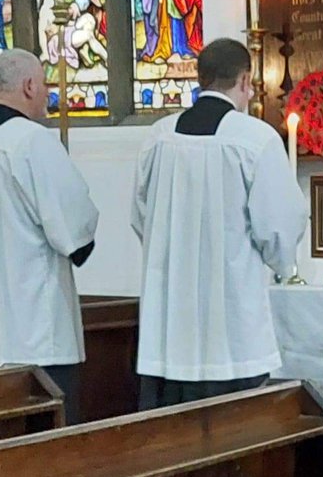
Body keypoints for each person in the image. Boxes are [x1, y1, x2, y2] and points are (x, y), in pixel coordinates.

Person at [131, 37, 307, 409]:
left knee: (169, 442)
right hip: (232, 331)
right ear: (245, 81)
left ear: (201, 78)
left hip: (167, 333)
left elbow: (140, 216)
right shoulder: (254, 139)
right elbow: (278, 225)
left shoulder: (158, 137)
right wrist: (282, 264)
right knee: (234, 441)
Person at [0, 49, 99, 421]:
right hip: (32, 328)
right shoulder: (33, 142)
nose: (47, 93)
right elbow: (73, 228)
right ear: (30, 86)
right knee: (47, 438)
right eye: (45, 84)